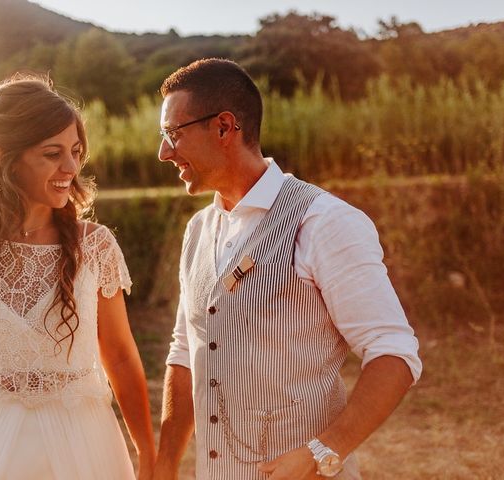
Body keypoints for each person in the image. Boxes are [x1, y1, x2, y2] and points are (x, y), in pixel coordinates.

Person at [152, 58, 422, 480]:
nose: (163, 152)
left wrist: (321, 453)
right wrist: (163, 466)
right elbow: (185, 350)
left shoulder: (325, 222)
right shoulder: (198, 229)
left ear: (224, 127)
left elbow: (394, 353)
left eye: (173, 134)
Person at [0, 74, 156, 479]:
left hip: (86, 447)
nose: (71, 167)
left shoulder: (94, 247)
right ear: (2, 158)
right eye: (52, 153)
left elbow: (119, 355)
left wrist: (148, 454)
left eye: (76, 151)